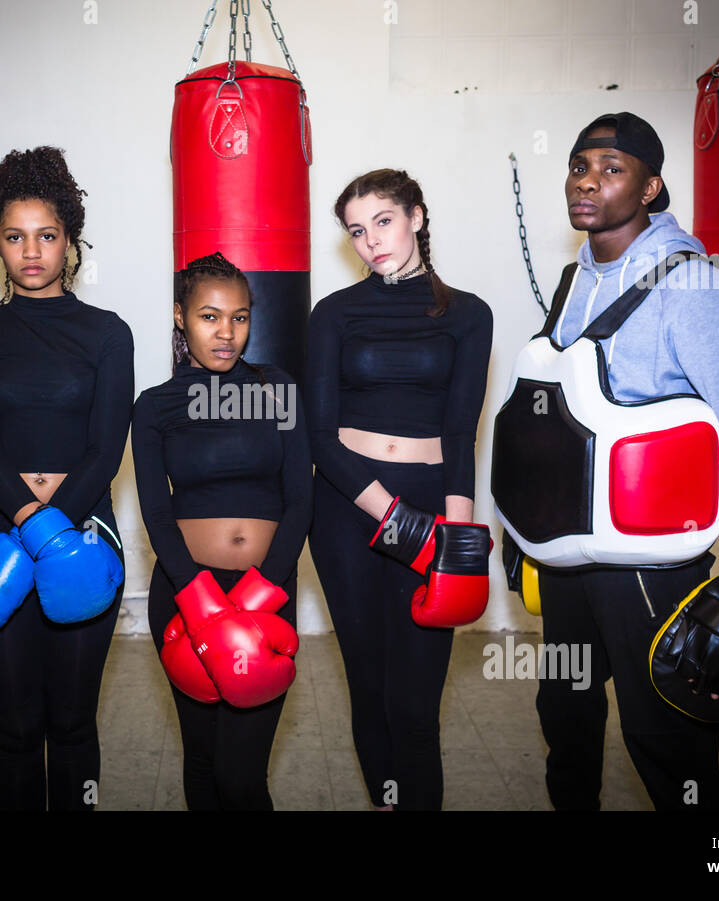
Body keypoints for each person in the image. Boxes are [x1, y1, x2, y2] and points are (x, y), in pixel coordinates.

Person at [495, 111, 719, 810]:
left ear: (651, 187)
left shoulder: (695, 291)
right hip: (569, 564)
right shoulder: (572, 282)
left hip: (652, 571)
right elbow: (551, 418)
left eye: (610, 168)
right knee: (565, 724)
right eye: (577, 165)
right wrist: (524, 532)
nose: (587, 181)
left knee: (667, 751)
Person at [0, 146, 133, 811]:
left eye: (47, 235)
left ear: (69, 240)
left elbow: (107, 447)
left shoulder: (108, 334)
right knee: (17, 727)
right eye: (15, 235)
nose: (32, 251)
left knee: (74, 722)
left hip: (87, 527)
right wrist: (33, 520)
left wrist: (56, 529)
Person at [304, 170, 494, 811]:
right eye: (357, 231)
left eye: (382, 221)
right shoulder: (332, 313)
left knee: (416, 703)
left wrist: (455, 537)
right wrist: (394, 516)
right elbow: (319, 437)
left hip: (431, 513)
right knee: (370, 688)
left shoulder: (468, 313)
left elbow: (461, 430)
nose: (371, 241)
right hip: (346, 510)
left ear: (415, 215)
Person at [131, 252, 311, 810]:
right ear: (181, 317)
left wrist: (265, 588)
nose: (227, 332)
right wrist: (196, 594)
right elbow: (156, 512)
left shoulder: (278, 390)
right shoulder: (155, 406)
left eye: (240, 316)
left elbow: (301, 498)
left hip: (268, 592)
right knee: (204, 759)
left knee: (242, 775)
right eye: (210, 316)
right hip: (186, 594)